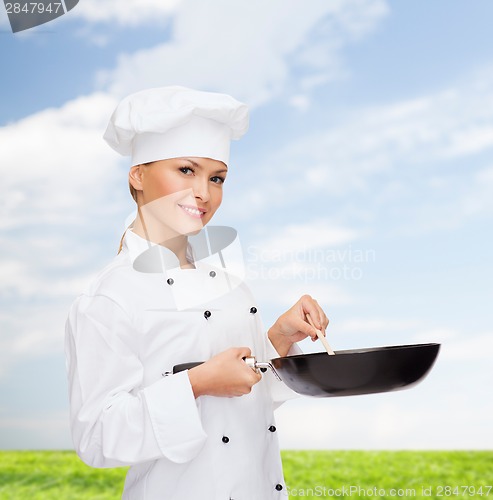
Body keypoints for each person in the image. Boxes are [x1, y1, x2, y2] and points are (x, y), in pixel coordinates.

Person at [65, 86, 329, 500]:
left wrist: (279, 338)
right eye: (186, 170)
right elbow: (98, 437)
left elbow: (245, 399)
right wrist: (196, 384)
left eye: (216, 178)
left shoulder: (233, 287)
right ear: (137, 174)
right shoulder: (110, 297)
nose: (204, 193)